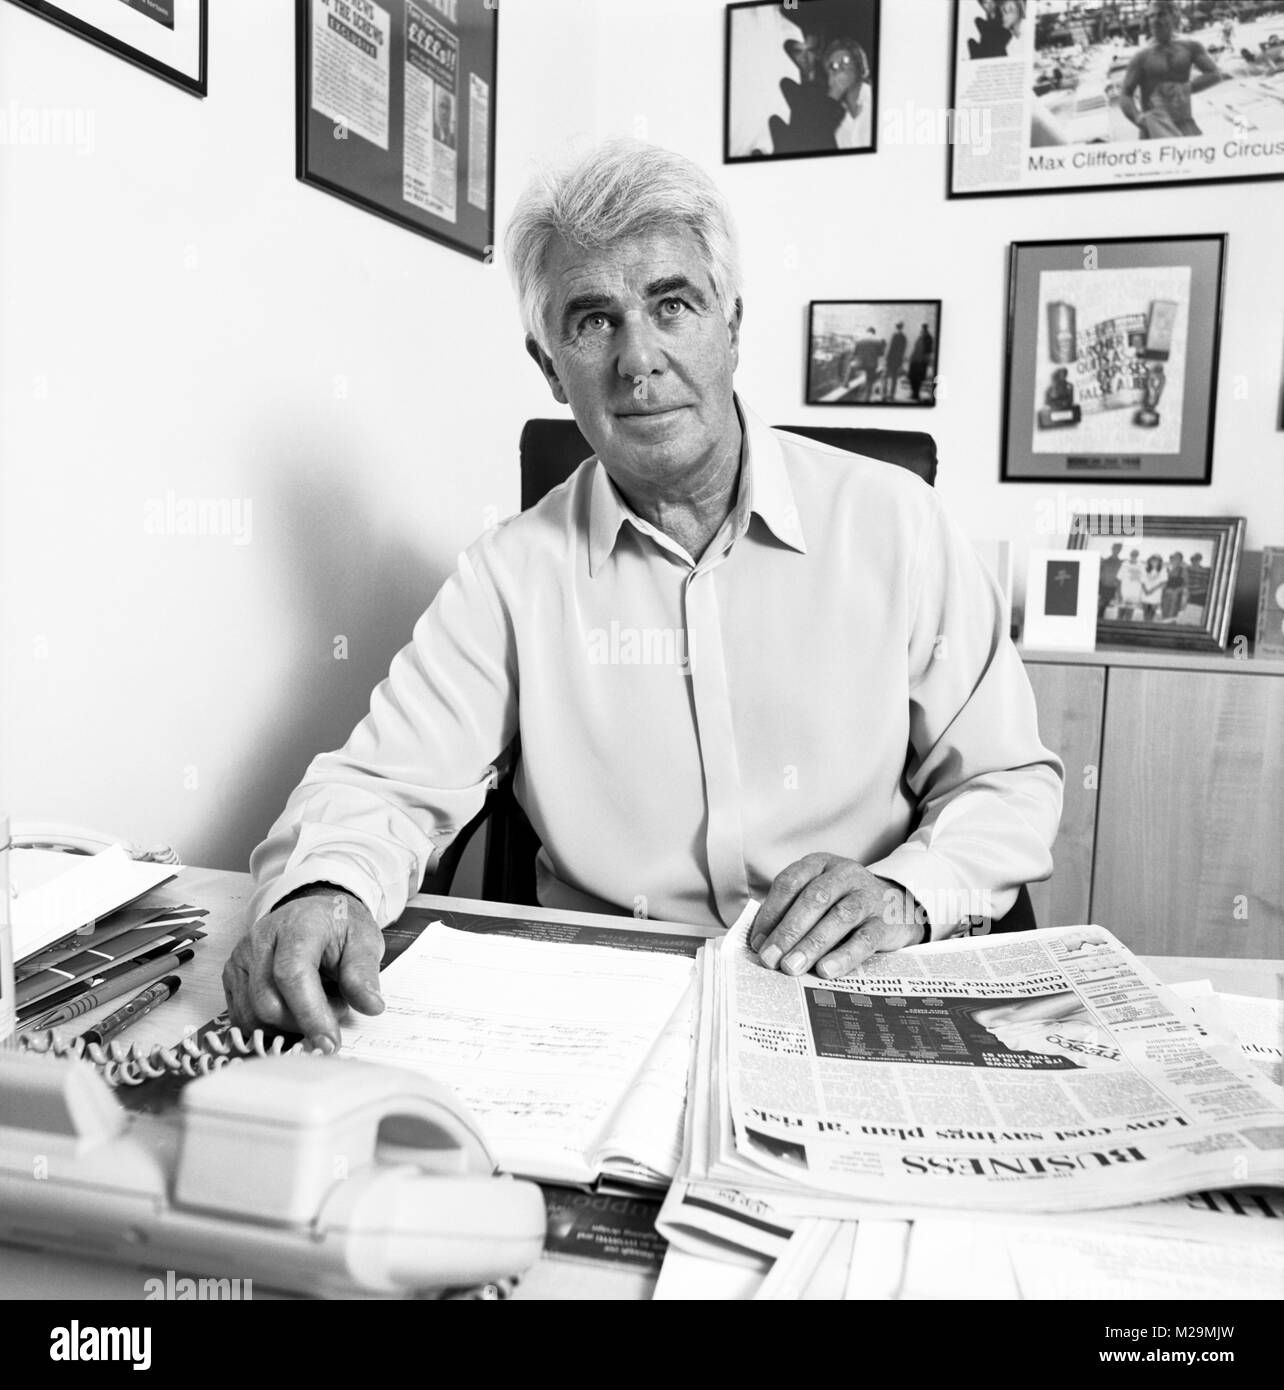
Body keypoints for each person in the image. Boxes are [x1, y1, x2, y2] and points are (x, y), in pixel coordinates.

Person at [223, 141, 1063, 1049]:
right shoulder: (511, 575)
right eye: (593, 321)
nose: (639, 360)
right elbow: (383, 786)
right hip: (603, 1009)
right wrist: (326, 887)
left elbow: (1006, 783)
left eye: (672, 304)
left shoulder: (895, 524)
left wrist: (909, 891)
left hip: (850, 986)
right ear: (550, 368)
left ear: (733, 325)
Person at [1119, 0, 1223, 139]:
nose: (1156, 20)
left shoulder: (1190, 47)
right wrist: (1138, 118)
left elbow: (1214, 74)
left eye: (1161, 14)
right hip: (1155, 128)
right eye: (1151, 16)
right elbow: (1125, 93)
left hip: (1184, 122)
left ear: (1174, 16)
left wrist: (1186, 88)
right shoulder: (1142, 56)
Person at [822, 35, 873, 149]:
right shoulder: (833, 115)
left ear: (859, 65)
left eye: (845, 61)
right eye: (833, 67)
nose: (840, 68)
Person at [849, 327, 886, 401]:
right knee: (870, 382)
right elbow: (881, 354)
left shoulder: (859, 340)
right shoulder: (877, 341)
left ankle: (845, 383)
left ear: (867, 332)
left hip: (860, 364)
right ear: (874, 333)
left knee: (850, 366)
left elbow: (854, 353)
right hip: (871, 365)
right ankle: (867, 399)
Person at [907, 323, 934, 401]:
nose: (921, 330)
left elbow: (928, 352)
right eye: (922, 329)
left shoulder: (928, 338)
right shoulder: (919, 337)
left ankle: (916, 394)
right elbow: (915, 348)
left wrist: (925, 362)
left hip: (921, 362)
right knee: (912, 378)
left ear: (925, 329)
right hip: (914, 361)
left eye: (923, 329)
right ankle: (914, 393)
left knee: (917, 379)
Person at [883, 322, 907, 404]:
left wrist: (886, 359)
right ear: (902, 327)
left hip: (891, 360)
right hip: (898, 361)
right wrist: (900, 362)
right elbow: (902, 351)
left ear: (896, 327)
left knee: (884, 376)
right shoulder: (904, 337)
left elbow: (891, 348)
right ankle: (892, 395)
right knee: (894, 378)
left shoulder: (894, 335)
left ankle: (884, 394)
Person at [1117, 548, 1144, 619]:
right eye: (1132, 554)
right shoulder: (1124, 565)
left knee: (1129, 616)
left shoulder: (1141, 566)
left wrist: (1140, 596)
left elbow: (1142, 582)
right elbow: (1119, 580)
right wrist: (1119, 593)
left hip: (1134, 595)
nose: (1134, 556)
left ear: (1138, 555)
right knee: (1120, 615)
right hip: (1124, 594)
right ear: (1130, 555)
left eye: (1136, 554)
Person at [1098, 542, 1124, 618]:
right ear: (1112, 549)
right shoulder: (1104, 561)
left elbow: (1120, 578)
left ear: (1120, 550)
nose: (1116, 550)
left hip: (1112, 588)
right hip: (1103, 586)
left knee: (1104, 607)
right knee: (1101, 607)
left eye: (1118, 549)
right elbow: (1099, 573)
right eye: (1115, 548)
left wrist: (1118, 591)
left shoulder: (1120, 563)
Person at [1139, 553, 1167, 621]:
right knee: (1145, 614)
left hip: (1155, 596)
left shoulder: (1163, 570)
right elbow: (1142, 582)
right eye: (1153, 560)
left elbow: (1163, 583)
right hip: (1145, 595)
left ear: (1160, 561)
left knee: (1151, 615)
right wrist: (1146, 590)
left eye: (1157, 560)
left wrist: (1152, 590)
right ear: (1149, 561)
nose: (1154, 562)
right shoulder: (1144, 569)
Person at [1162, 551, 1187, 620]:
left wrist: (1177, 591)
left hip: (1175, 596)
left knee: (1171, 616)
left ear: (1180, 560)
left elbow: (1186, 584)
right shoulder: (1167, 569)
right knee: (1164, 614)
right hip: (1165, 595)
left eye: (1177, 558)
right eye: (1174, 558)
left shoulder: (1183, 570)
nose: (1175, 559)